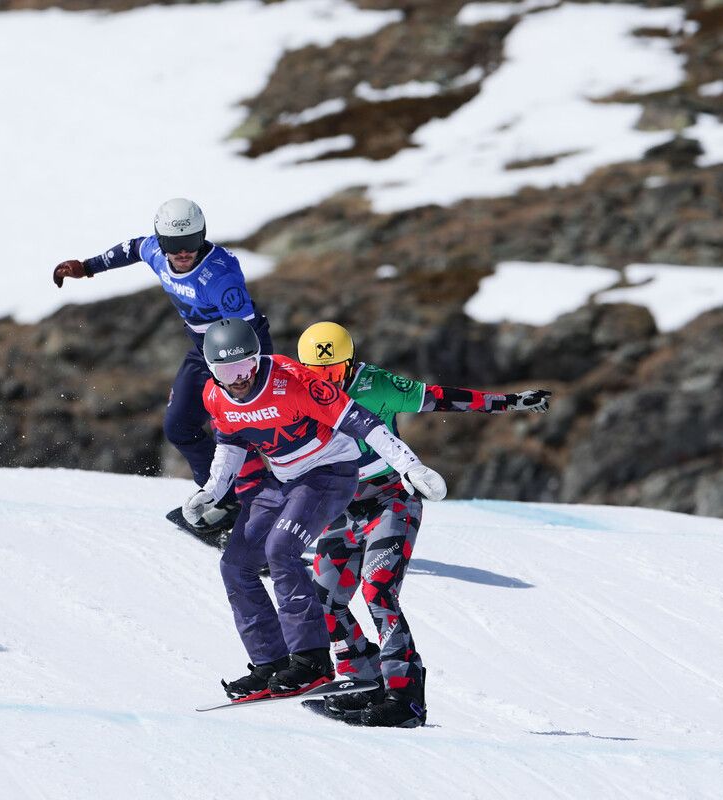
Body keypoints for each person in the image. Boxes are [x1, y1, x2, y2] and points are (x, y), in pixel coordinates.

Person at [297, 321, 551, 727]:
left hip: (391, 500)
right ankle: (365, 679)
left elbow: (439, 398)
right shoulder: (295, 388)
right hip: (341, 507)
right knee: (321, 601)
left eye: (333, 372)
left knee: (378, 592)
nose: (325, 382)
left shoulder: (376, 385)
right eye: (316, 374)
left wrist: (507, 402)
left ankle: (405, 697)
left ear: (349, 363)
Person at [182, 318, 447, 702]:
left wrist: (410, 465)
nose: (238, 379)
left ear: (258, 359)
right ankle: (269, 664)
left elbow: (362, 421)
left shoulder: (292, 380)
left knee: (280, 549)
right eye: (226, 371)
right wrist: (213, 488)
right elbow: (230, 442)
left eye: (244, 367)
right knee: (235, 564)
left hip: (330, 473)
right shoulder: (215, 394)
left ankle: (311, 661)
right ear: (211, 371)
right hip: (285, 478)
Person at [53, 197, 270, 535]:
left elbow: (245, 333)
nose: (183, 252)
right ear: (162, 241)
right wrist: (87, 266)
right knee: (179, 427)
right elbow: (132, 248)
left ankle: (265, 509)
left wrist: (241, 381)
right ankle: (226, 501)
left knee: (247, 430)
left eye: (191, 243)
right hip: (204, 352)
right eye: (174, 245)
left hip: (242, 354)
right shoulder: (155, 252)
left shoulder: (220, 277)